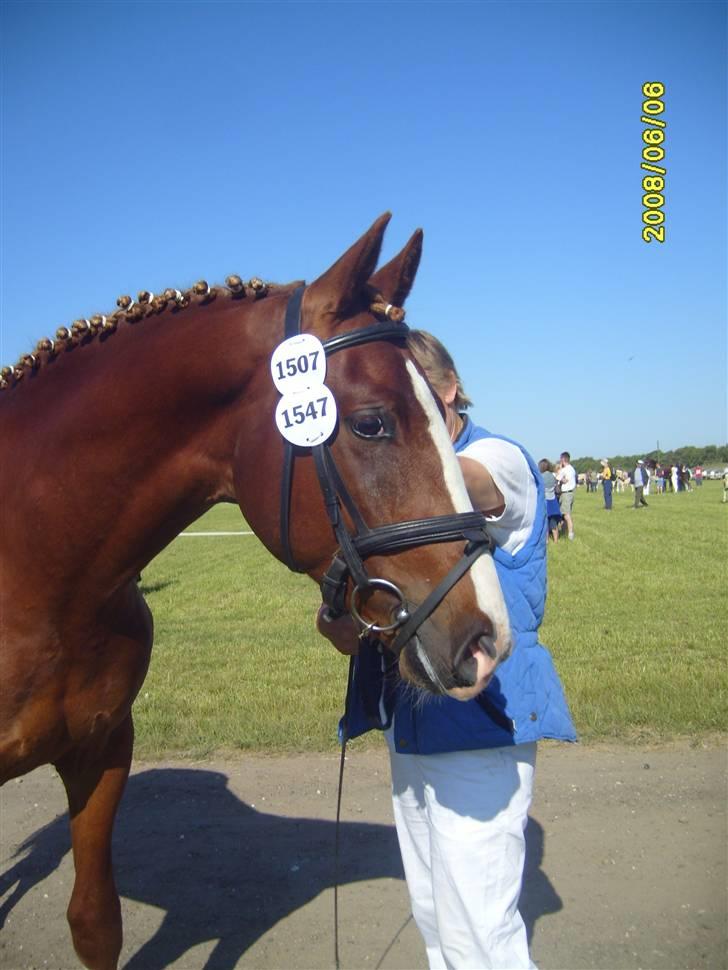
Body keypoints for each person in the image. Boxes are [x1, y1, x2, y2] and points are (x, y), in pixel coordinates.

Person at [317, 330, 576, 970]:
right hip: (411, 721)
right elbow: (372, 613)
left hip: (483, 720)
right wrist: (342, 618)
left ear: (450, 388)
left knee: (480, 931)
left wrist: (365, 452)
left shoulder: (496, 457)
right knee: (435, 915)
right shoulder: (394, 496)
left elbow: (460, 480)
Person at [539, 458, 561, 540]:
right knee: (553, 523)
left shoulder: (541, 477)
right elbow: (557, 489)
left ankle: (546, 540)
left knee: (545, 523)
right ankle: (556, 540)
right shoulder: (553, 476)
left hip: (545, 501)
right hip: (553, 501)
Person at [555, 451, 577, 540]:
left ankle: (570, 533)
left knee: (566, 514)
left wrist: (560, 469)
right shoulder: (572, 469)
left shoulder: (564, 470)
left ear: (563, 459)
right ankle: (564, 532)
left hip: (566, 493)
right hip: (571, 493)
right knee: (565, 514)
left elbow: (558, 477)